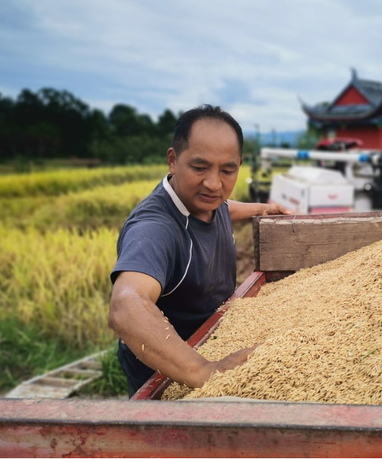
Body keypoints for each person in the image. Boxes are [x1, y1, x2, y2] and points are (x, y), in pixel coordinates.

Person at [108, 104, 291, 397]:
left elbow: (223, 207)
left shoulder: (206, 200)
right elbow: (126, 305)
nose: (214, 184)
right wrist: (202, 370)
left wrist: (261, 209)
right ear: (173, 160)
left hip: (214, 335)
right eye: (199, 167)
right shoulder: (156, 228)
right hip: (167, 368)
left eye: (227, 170)